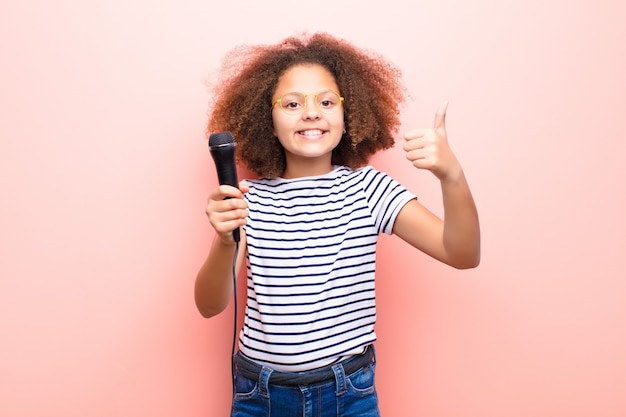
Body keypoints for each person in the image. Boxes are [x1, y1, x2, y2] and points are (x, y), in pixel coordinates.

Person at [195, 32, 480, 417]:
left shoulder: (369, 190)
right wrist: (224, 240)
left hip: (348, 394)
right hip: (259, 396)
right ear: (268, 118)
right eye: (292, 103)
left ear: (349, 114)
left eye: (327, 102)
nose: (312, 113)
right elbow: (210, 305)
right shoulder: (250, 202)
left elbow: (461, 253)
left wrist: (452, 176)